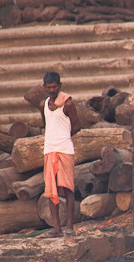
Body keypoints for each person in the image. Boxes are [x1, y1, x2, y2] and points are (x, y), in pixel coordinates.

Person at [39, 72, 81, 237]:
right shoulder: (43, 104)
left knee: (68, 188)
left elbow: (77, 125)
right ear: (44, 88)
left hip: (65, 149)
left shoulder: (68, 104)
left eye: (54, 86)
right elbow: (46, 124)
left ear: (59, 86)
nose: (51, 89)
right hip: (49, 149)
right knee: (51, 190)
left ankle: (69, 227)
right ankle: (57, 228)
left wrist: (64, 136)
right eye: (48, 87)